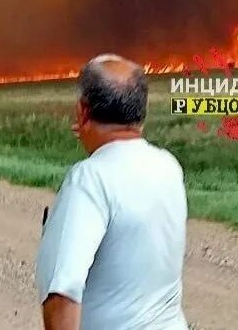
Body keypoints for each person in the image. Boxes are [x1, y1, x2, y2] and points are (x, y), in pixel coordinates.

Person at [36, 54, 188, 330]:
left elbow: (63, 292)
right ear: (141, 114)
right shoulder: (169, 166)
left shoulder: (90, 179)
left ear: (83, 112)